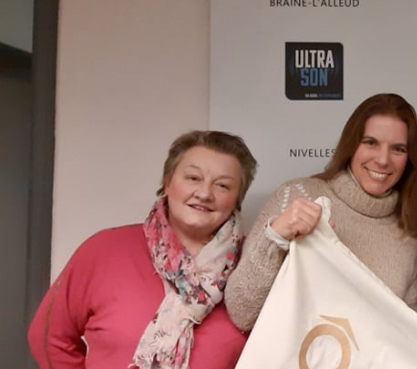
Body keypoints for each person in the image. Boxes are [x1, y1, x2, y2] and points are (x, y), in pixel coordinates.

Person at [225, 93, 417, 368]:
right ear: (351, 145)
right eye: (370, 142)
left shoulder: (409, 231)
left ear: (410, 158)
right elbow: (242, 312)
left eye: (398, 149)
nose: (383, 160)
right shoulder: (298, 196)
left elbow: (394, 348)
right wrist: (276, 235)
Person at [28, 130, 259, 369]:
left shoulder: (255, 267)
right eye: (193, 178)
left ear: (237, 198)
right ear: (168, 182)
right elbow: (49, 337)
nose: (204, 193)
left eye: (222, 185)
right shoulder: (104, 250)